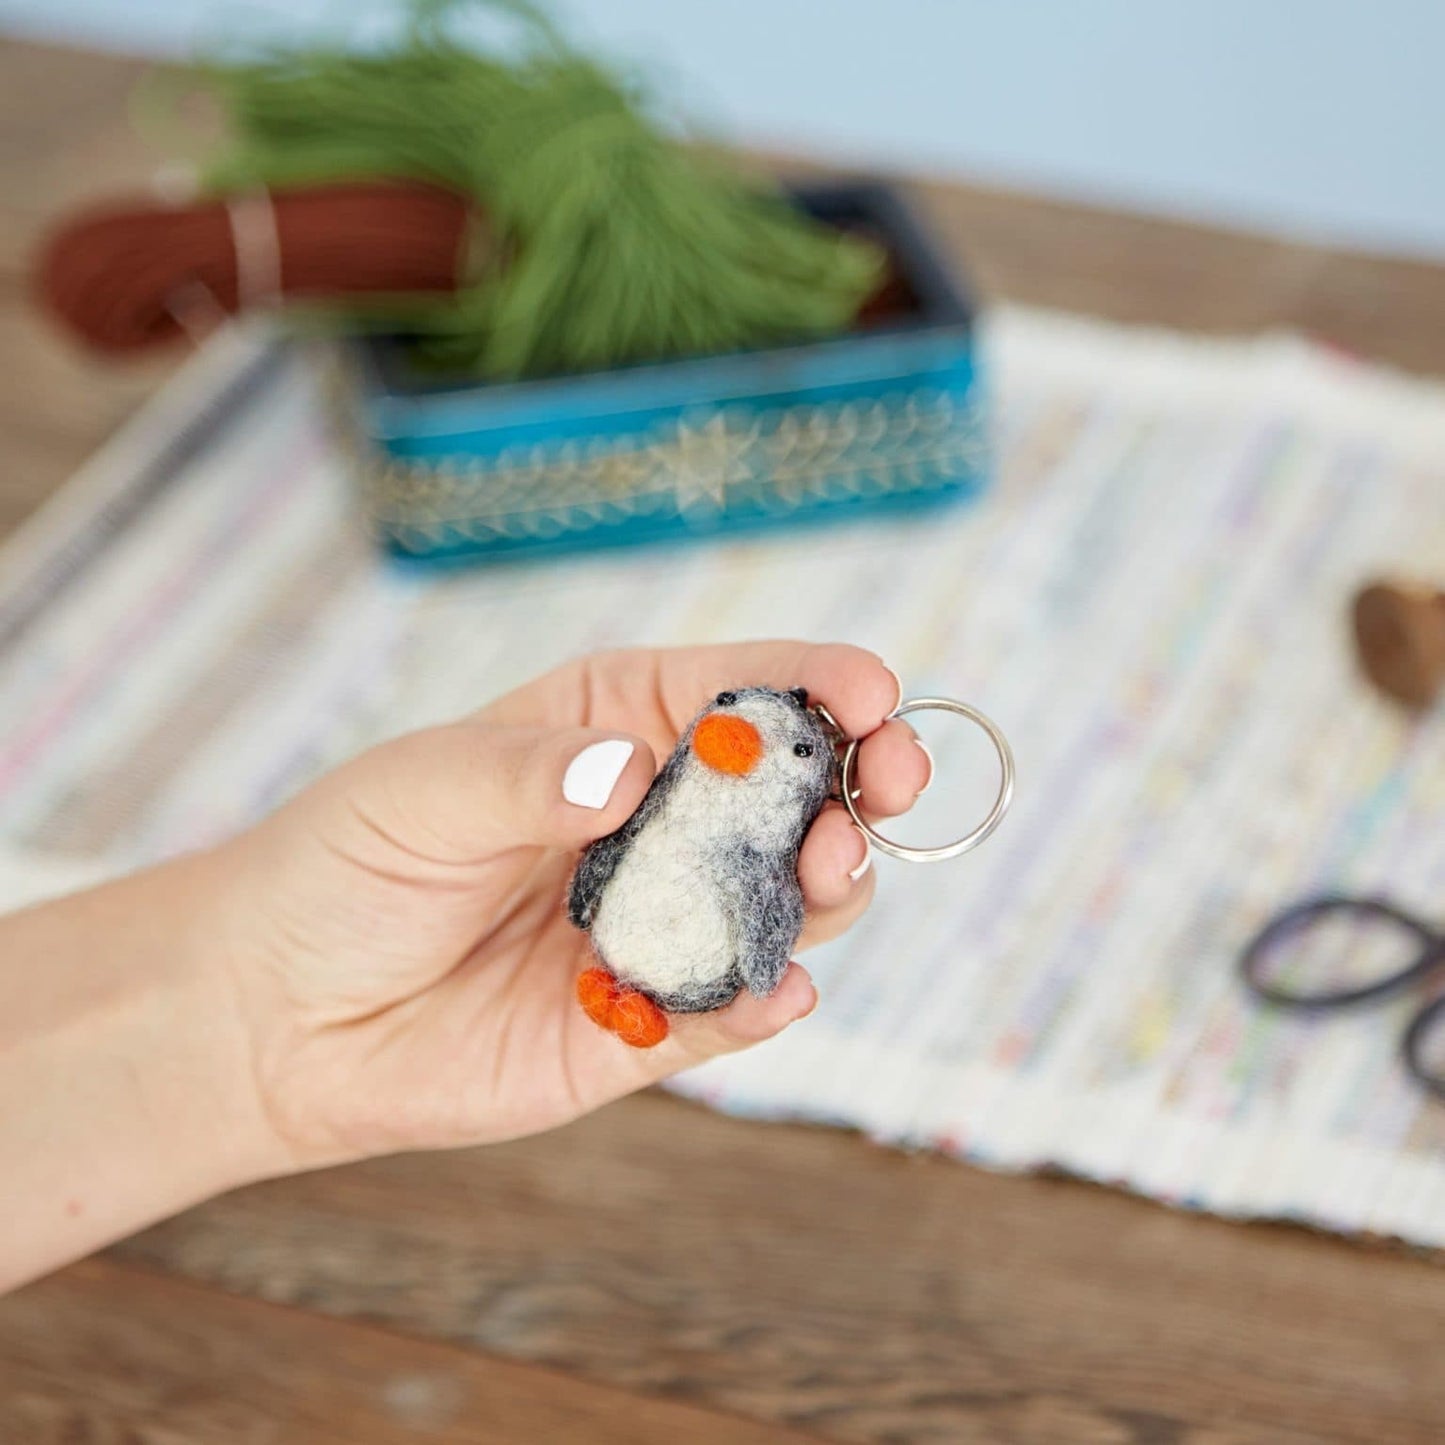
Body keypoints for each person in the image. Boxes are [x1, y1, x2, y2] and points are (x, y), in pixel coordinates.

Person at [0, 641, 929, 1293]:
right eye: (727, 713)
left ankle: (626, 992)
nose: (739, 739)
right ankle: (612, 985)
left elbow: (764, 921)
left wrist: (257, 1027)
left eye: (785, 748)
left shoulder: (749, 848)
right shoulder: (664, 801)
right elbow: (612, 853)